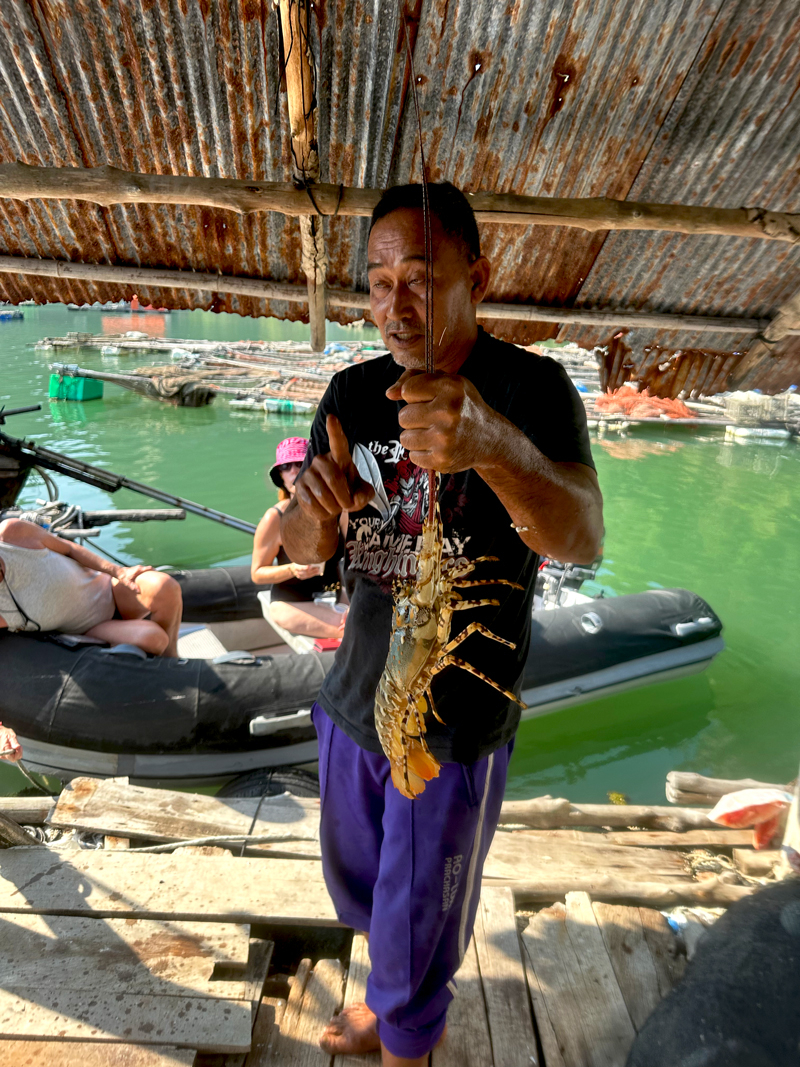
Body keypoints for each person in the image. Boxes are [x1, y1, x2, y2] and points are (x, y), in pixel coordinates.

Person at [281, 182, 604, 1067]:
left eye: (420, 275)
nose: (396, 302)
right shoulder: (350, 393)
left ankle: (406, 1034)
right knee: (361, 889)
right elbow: (309, 549)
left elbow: (583, 534)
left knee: (420, 926)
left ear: (478, 276)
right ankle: (387, 1012)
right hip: (354, 704)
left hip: (450, 729)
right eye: (379, 281)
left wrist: (493, 444)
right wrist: (314, 512)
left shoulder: (531, 390)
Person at [0, 517, 182, 657]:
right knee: (154, 638)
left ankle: (173, 660)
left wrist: (118, 572)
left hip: (109, 588)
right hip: (91, 628)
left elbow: (69, 549)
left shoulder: (13, 533)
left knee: (165, 587)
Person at [251, 437, 345, 641]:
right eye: (286, 466)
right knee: (352, 632)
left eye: (300, 464)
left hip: (334, 595)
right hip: (291, 601)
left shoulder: (339, 511)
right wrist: (292, 569)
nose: (293, 470)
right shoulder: (274, 519)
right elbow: (257, 573)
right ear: (280, 476)